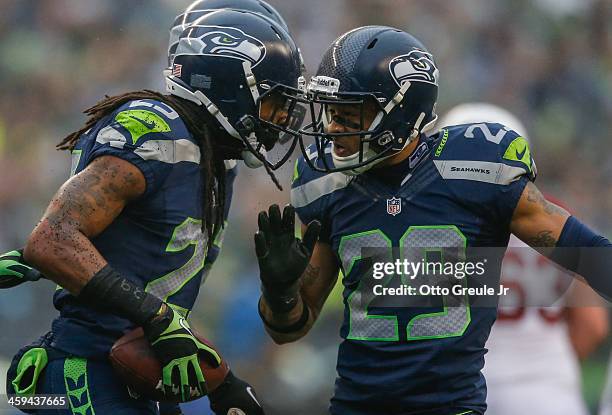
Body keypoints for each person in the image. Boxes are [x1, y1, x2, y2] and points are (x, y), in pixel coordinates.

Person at [253, 26, 612, 414]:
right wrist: (280, 291)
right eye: (331, 112)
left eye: (350, 113)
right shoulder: (325, 185)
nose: (333, 129)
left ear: (402, 110)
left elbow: (587, 254)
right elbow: (289, 328)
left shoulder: (475, 169)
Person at [5, 9, 303, 415]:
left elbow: (159, 294)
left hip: (132, 379)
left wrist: (222, 383)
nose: (283, 118)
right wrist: (156, 316)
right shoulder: (156, 132)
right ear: (228, 84)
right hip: (88, 373)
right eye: (273, 103)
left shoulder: (213, 156)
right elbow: (51, 242)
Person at [440, 103, 608, 415]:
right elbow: (592, 325)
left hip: (466, 394)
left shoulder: (429, 227)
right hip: (549, 394)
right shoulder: (555, 220)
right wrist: (541, 372)